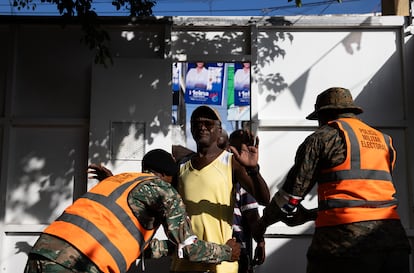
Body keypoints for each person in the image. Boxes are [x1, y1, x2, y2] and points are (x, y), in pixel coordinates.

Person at [253, 87, 411, 273]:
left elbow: (290, 199)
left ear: (325, 114)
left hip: (344, 245)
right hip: (394, 243)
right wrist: (311, 215)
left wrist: (262, 224)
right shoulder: (384, 141)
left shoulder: (323, 138)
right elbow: (365, 200)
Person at [24, 149, 241, 273]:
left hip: (41, 253)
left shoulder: (119, 180)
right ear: (169, 176)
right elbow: (191, 250)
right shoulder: (163, 189)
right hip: (77, 264)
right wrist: (227, 252)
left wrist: (171, 248)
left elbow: (133, 244)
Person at [171, 105, 270, 273]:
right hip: (186, 261)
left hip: (222, 259)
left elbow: (264, 199)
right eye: (196, 123)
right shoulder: (181, 167)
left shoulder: (231, 163)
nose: (202, 127)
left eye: (208, 123)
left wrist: (254, 170)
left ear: (219, 129)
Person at [226, 129, 265, 273]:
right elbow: (253, 218)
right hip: (235, 251)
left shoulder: (243, 179)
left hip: (232, 250)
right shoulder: (241, 178)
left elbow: (253, 215)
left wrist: (260, 241)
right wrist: (260, 242)